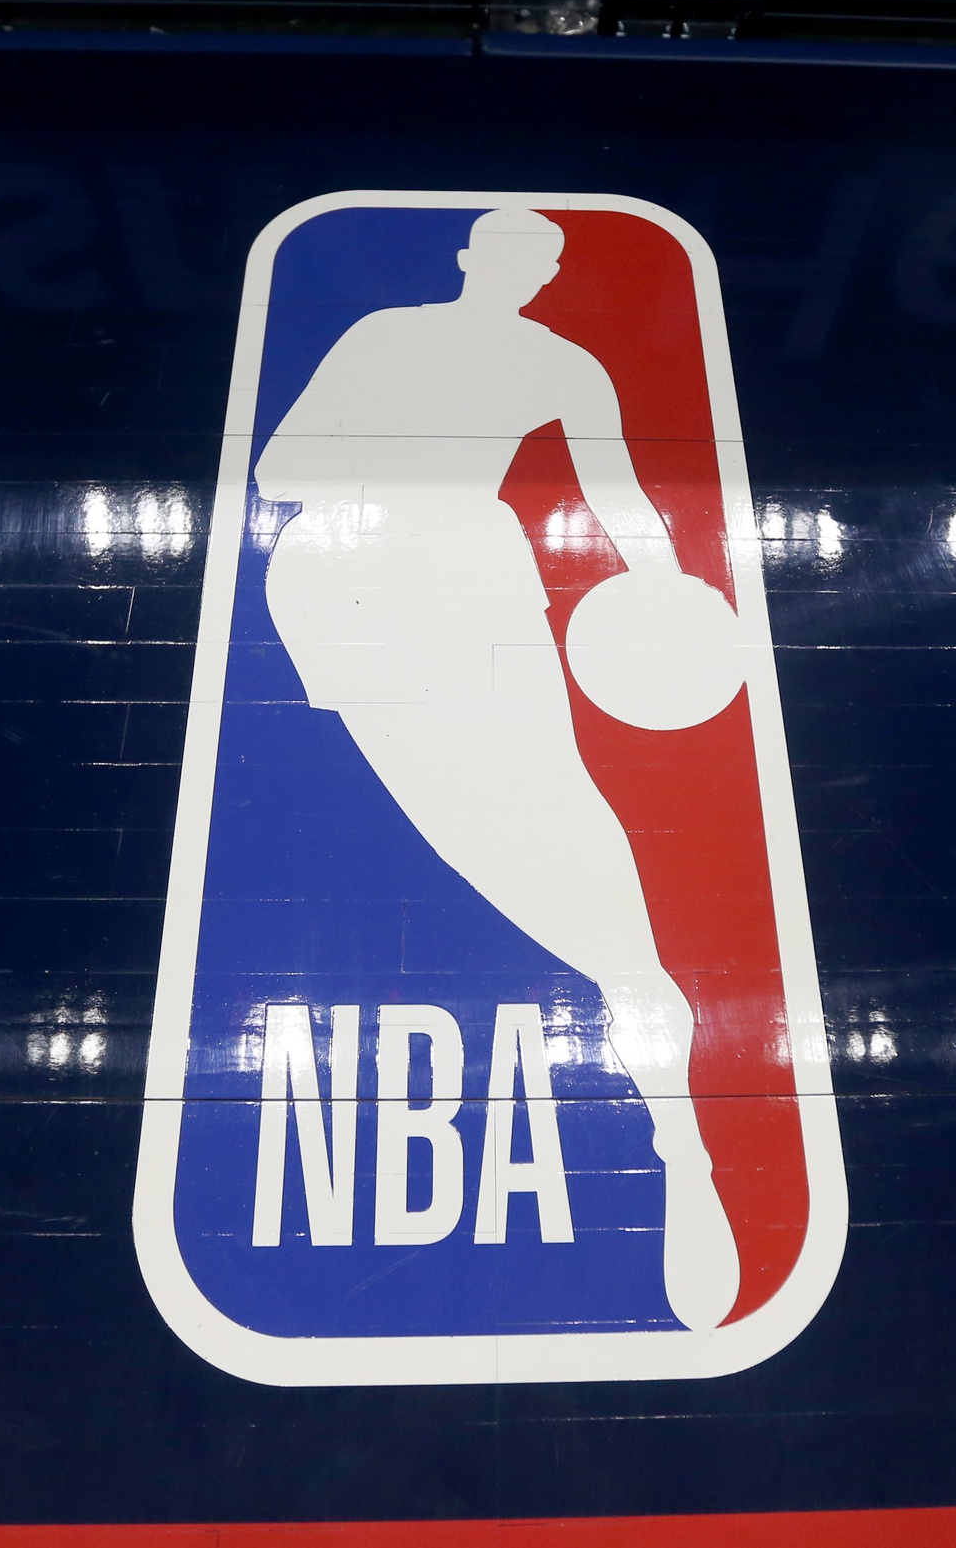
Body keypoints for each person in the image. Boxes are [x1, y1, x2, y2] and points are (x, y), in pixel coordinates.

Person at [253, 208, 741, 1332]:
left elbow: (619, 494)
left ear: (547, 275)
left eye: (540, 262)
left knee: (573, 835)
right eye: (505, 254)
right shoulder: (383, 335)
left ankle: (675, 1120)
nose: (520, 273)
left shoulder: (562, 365)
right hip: (346, 590)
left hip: (467, 583)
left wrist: (667, 591)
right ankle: (632, 1000)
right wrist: (399, 464)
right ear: (472, 259)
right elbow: (279, 465)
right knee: (471, 836)